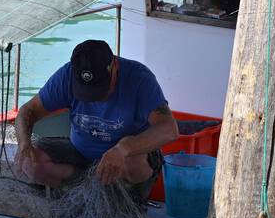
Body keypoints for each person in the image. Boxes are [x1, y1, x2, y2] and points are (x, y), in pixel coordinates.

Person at [14, 39, 179, 198]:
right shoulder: (66, 76)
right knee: (31, 163)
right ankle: (86, 193)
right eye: (85, 90)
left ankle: (123, 200)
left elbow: (169, 129)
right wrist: (23, 142)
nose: (94, 97)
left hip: (128, 160)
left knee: (132, 162)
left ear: (114, 66)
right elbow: (27, 111)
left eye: (100, 88)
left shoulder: (140, 79)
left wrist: (123, 149)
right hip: (80, 152)